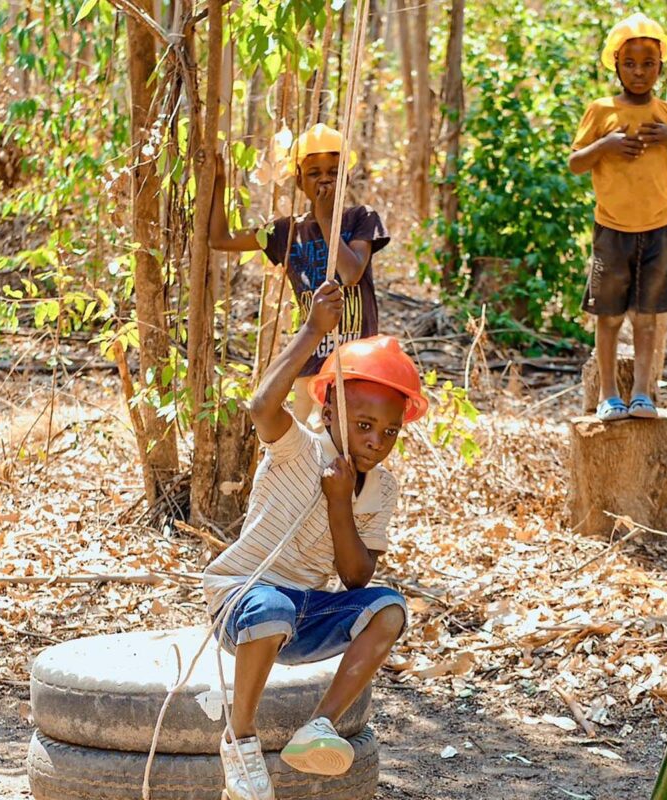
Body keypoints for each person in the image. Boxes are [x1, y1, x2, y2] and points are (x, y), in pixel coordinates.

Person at [203, 281, 427, 800]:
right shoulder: (296, 448)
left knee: (389, 609)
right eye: (365, 424)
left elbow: (354, 577)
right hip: (243, 596)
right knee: (271, 605)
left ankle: (319, 726)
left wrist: (339, 501)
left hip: (307, 612)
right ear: (329, 414)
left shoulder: (381, 488)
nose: (377, 440)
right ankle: (239, 739)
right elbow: (261, 406)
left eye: (390, 432)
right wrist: (311, 331)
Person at [209, 123, 390, 426]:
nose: (325, 179)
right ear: (298, 180)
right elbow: (220, 240)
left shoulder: (362, 218)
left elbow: (350, 273)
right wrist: (218, 183)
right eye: (314, 172)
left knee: (342, 442)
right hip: (309, 364)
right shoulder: (285, 232)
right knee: (304, 444)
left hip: (355, 364)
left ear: (345, 176)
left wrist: (325, 217)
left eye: (333, 171)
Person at [569, 13, 667, 422]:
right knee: (608, 317)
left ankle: (642, 393)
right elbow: (575, 163)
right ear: (616, 64)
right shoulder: (601, 110)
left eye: (648, 63)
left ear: (660, 66)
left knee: (646, 318)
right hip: (612, 229)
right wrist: (606, 144)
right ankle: (608, 394)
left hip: (656, 229)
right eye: (630, 63)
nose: (639, 72)